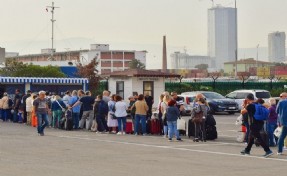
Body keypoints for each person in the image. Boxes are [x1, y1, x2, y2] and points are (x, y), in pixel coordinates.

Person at [240, 93, 273, 157]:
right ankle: (247, 150)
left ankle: (268, 150)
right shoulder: (258, 104)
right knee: (251, 137)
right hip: (260, 122)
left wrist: (245, 104)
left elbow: (242, 112)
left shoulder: (249, 106)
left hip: (253, 124)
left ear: (247, 99)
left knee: (258, 138)